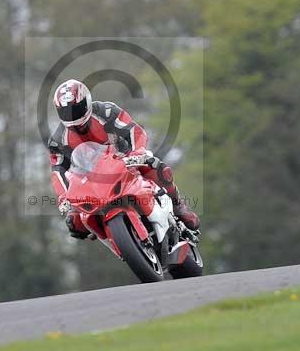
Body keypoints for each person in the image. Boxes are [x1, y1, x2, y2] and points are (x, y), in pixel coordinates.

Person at [47, 79, 200, 239]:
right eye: (66, 112)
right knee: (74, 222)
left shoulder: (106, 111)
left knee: (157, 168)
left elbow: (134, 131)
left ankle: (178, 206)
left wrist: (137, 152)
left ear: (87, 101)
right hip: (92, 183)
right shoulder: (58, 140)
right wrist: (64, 197)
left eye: (76, 109)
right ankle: (113, 238)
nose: (73, 116)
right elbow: (57, 170)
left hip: (124, 161)